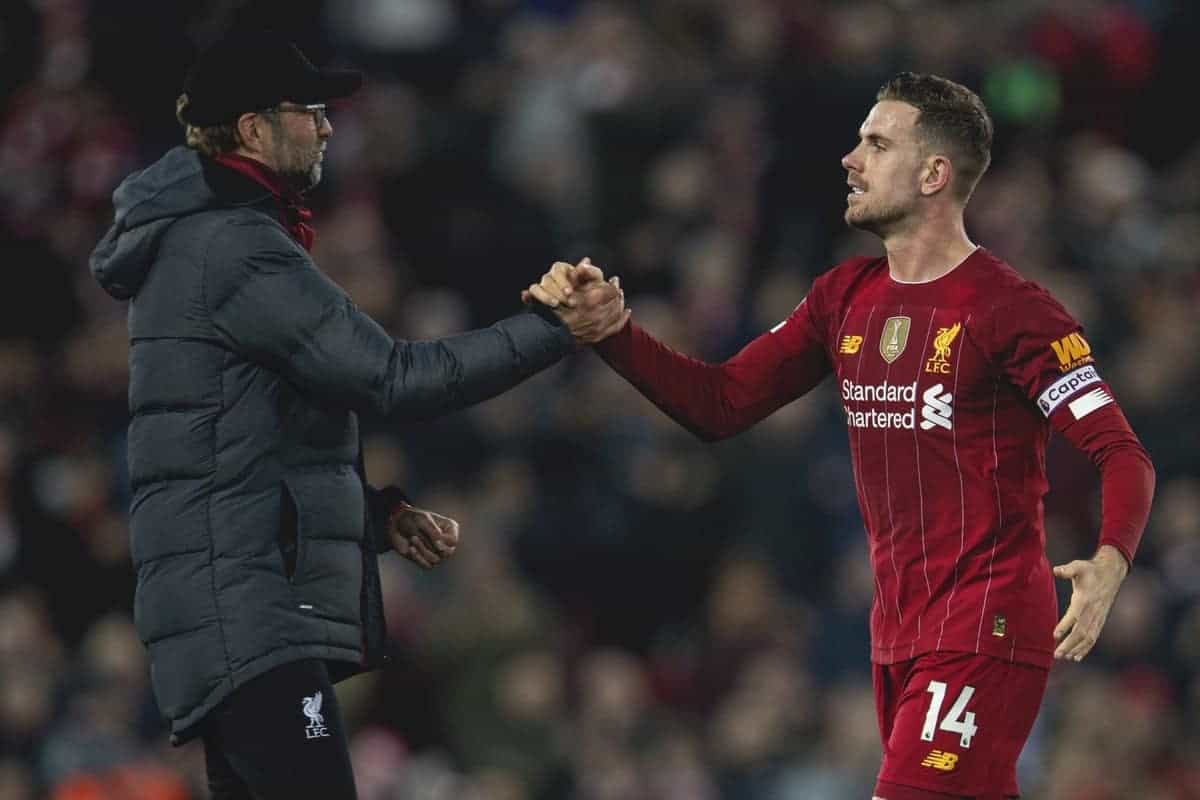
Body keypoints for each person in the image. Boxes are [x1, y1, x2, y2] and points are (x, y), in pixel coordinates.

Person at [526, 72, 1155, 800]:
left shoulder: (1014, 311)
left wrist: (1111, 563)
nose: (850, 159)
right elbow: (721, 403)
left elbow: (1120, 450)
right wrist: (615, 335)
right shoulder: (842, 297)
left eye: (876, 143)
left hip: (987, 622)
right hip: (896, 631)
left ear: (933, 173)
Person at [88, 31, 625, 800]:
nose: (329, 126)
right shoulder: (233, 246)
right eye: (309, 110)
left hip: (228, 617)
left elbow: (232, 456)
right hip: (252, 622)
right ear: (251, 130)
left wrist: (377, 517)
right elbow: (392, 378)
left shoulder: (202, 239)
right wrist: (553, 329)